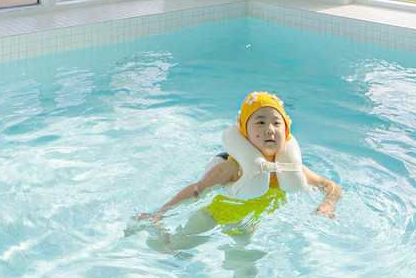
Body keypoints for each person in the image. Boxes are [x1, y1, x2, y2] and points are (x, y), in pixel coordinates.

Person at [136, 91, 342, 228]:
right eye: (260, 122)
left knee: (245, 263)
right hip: (215, 216)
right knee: (177, 246)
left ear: (286, 131)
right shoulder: (232, 168)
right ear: (244, 131)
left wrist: (326, 205)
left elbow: (332, 187)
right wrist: (160, 212)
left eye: (276, 123)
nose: (270, 129)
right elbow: (197, 189)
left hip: (249, 222)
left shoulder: (290, 168)